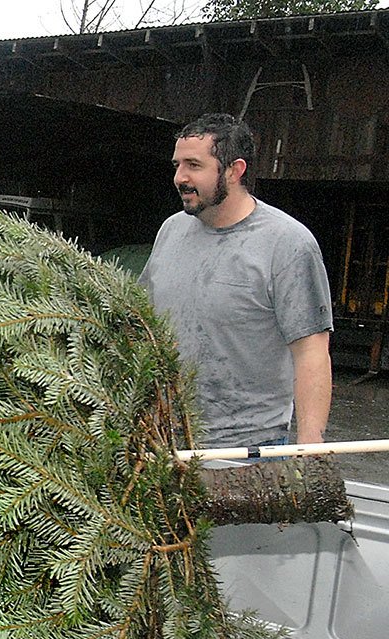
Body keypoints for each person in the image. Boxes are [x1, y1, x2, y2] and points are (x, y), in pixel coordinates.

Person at [140, 113, 332, 449]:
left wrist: (310, 448)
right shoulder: (171, 231)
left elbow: (311, 353)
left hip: (248, 447)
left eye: (193, 165)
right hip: (166, 440)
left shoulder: (287, 243)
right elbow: (140, 321)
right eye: (177, 165)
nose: (179, 177)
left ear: (234, 170)